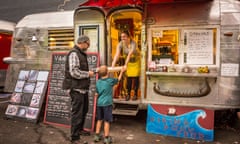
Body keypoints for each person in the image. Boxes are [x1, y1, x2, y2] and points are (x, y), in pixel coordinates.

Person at [62, 35, 95, 144]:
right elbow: (74, 72)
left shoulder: (80, 53)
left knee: (84, 110)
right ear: (83, 42)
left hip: (82, 88)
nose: (88, 46)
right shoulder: (74, 53)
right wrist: (88, 74)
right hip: (76, 89)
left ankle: (79, 130)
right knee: (77, 113)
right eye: (88, 44)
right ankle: (74, 138)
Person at [94, 65, 124, 144]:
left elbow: (96, 93)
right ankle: (106, 138)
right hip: (107, 104)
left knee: (99, 120)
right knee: (107, 121)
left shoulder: (98, 82)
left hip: (99, 104)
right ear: (108, 72)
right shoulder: (110, 80)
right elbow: (118, 80)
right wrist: (122, 72)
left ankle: (96, 136)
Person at [111, 30, 141, 101]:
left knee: (136, 78)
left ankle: (135, 94)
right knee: (128, 79)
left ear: (128, 37)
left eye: (124, 36)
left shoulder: (133, 43)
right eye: (121, 37)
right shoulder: (120, 44)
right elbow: (117, 54)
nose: (122, 38)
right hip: (129, 63)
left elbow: (130, 54)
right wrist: (112, 65)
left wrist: (125, 65)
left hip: (136, 62)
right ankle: (128, 94)